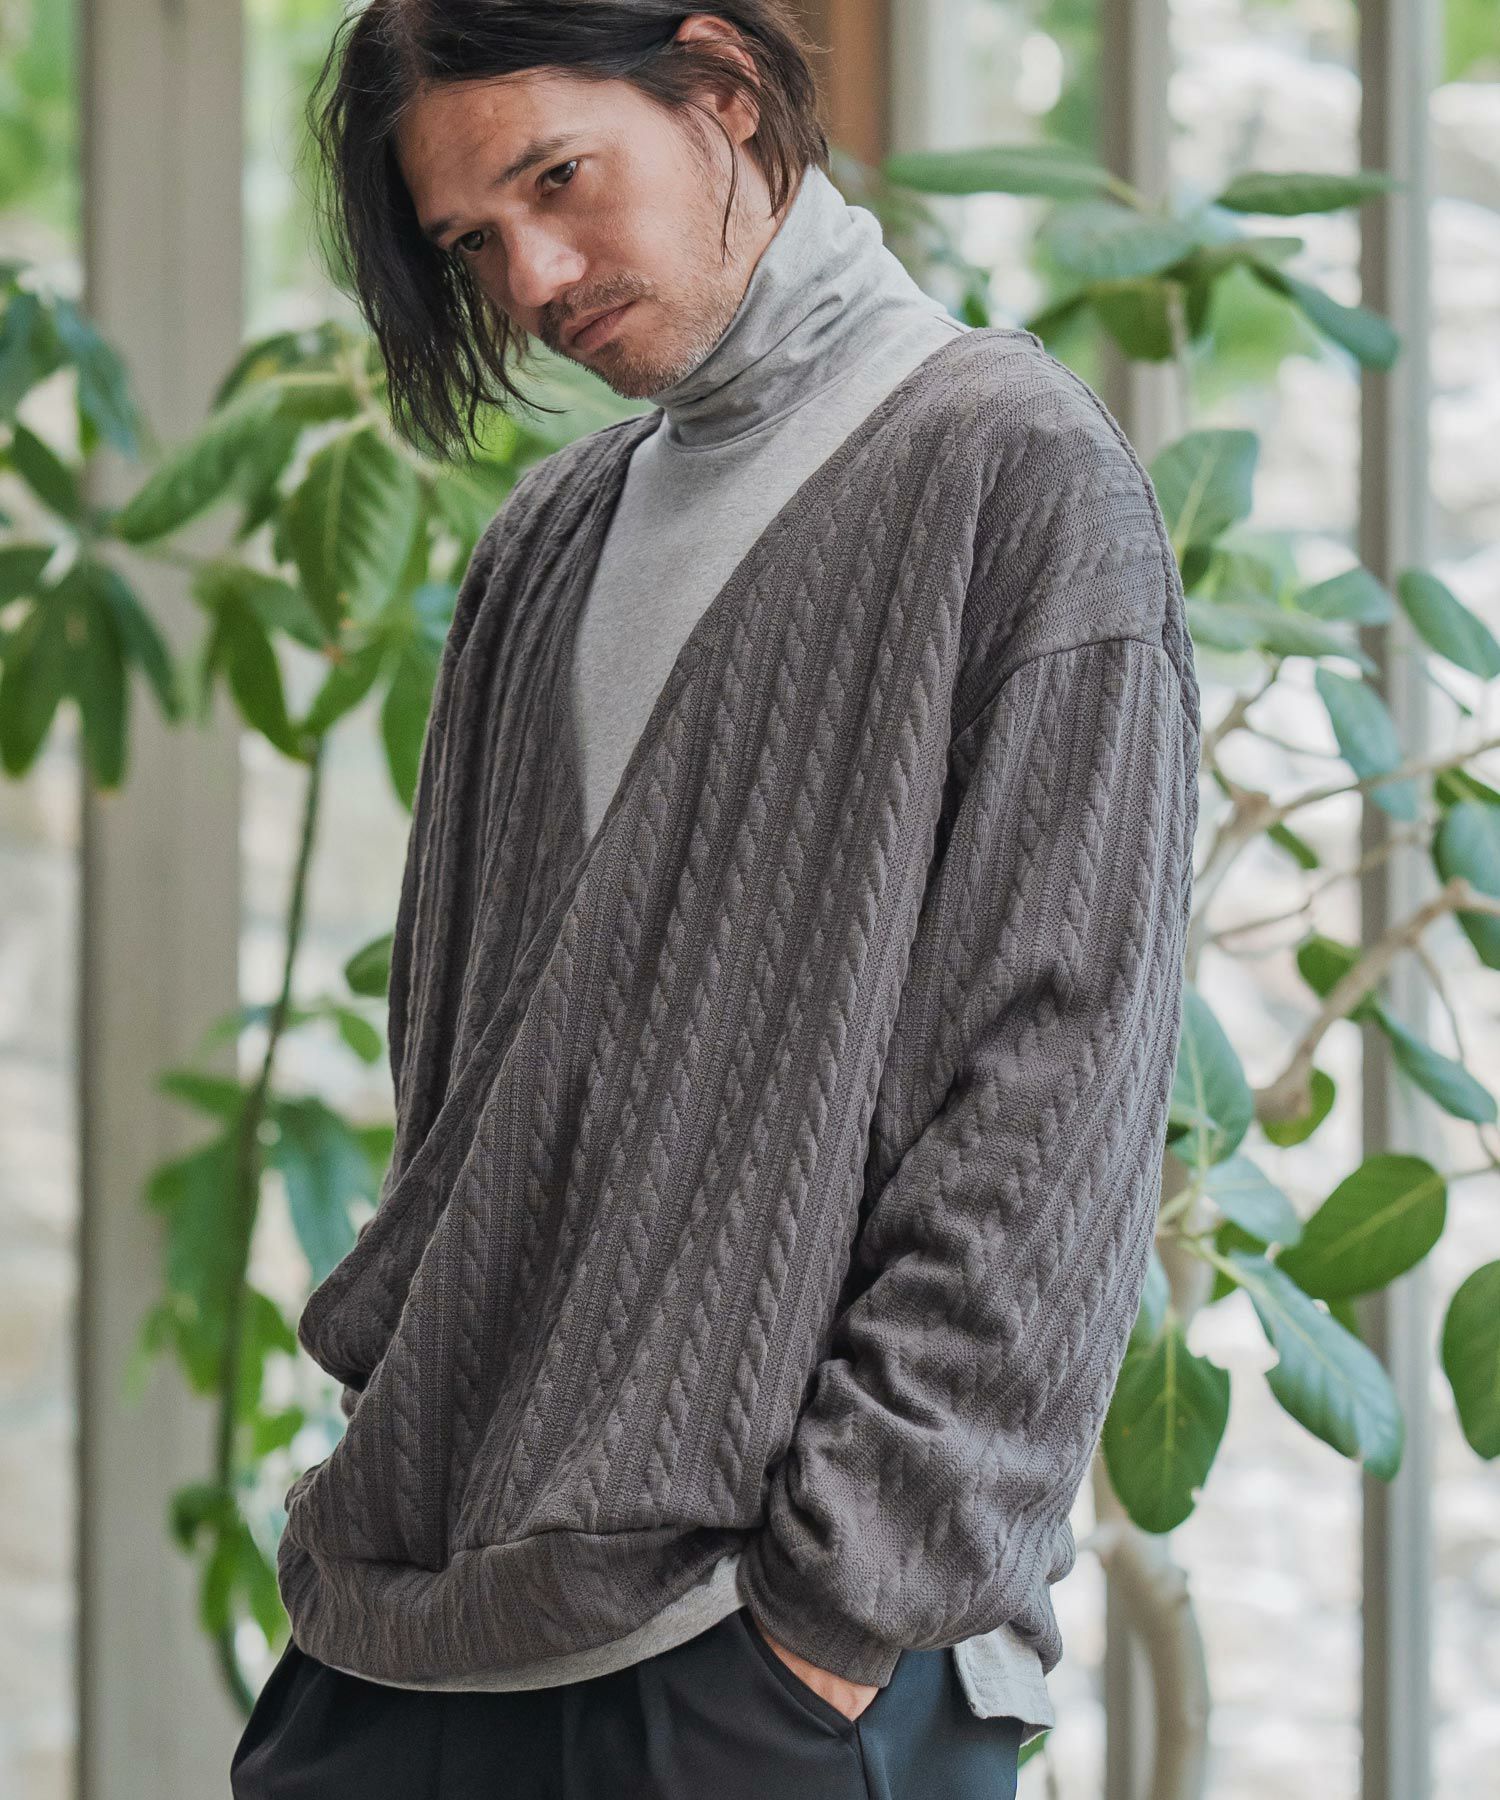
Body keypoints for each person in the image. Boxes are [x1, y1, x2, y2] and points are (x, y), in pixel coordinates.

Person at [230, 3, 1201, 1796]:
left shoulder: (1010, 475)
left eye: (558, 179)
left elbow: (1051, 1110)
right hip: (419, 1629)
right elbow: (455, 1100)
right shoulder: (545, 541)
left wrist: (832, 1623)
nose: (532, 279)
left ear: (723, 89)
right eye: (473, 243)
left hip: (768, 1666)